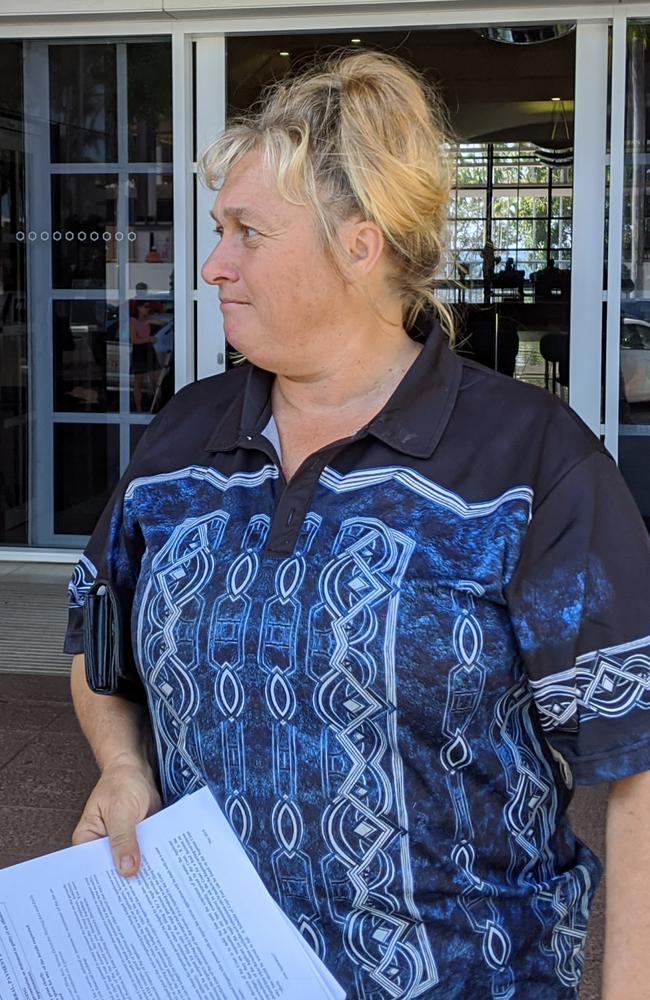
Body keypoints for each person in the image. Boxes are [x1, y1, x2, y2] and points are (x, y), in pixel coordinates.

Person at [64, 51, 650, 1000]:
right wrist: (124, 766)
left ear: (359, 246)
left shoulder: (528, 465)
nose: (214, 264)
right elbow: (98, 646)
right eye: (220, 230)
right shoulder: (184, 436)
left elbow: (639, 769)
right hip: (202, 970)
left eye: (246, 232)